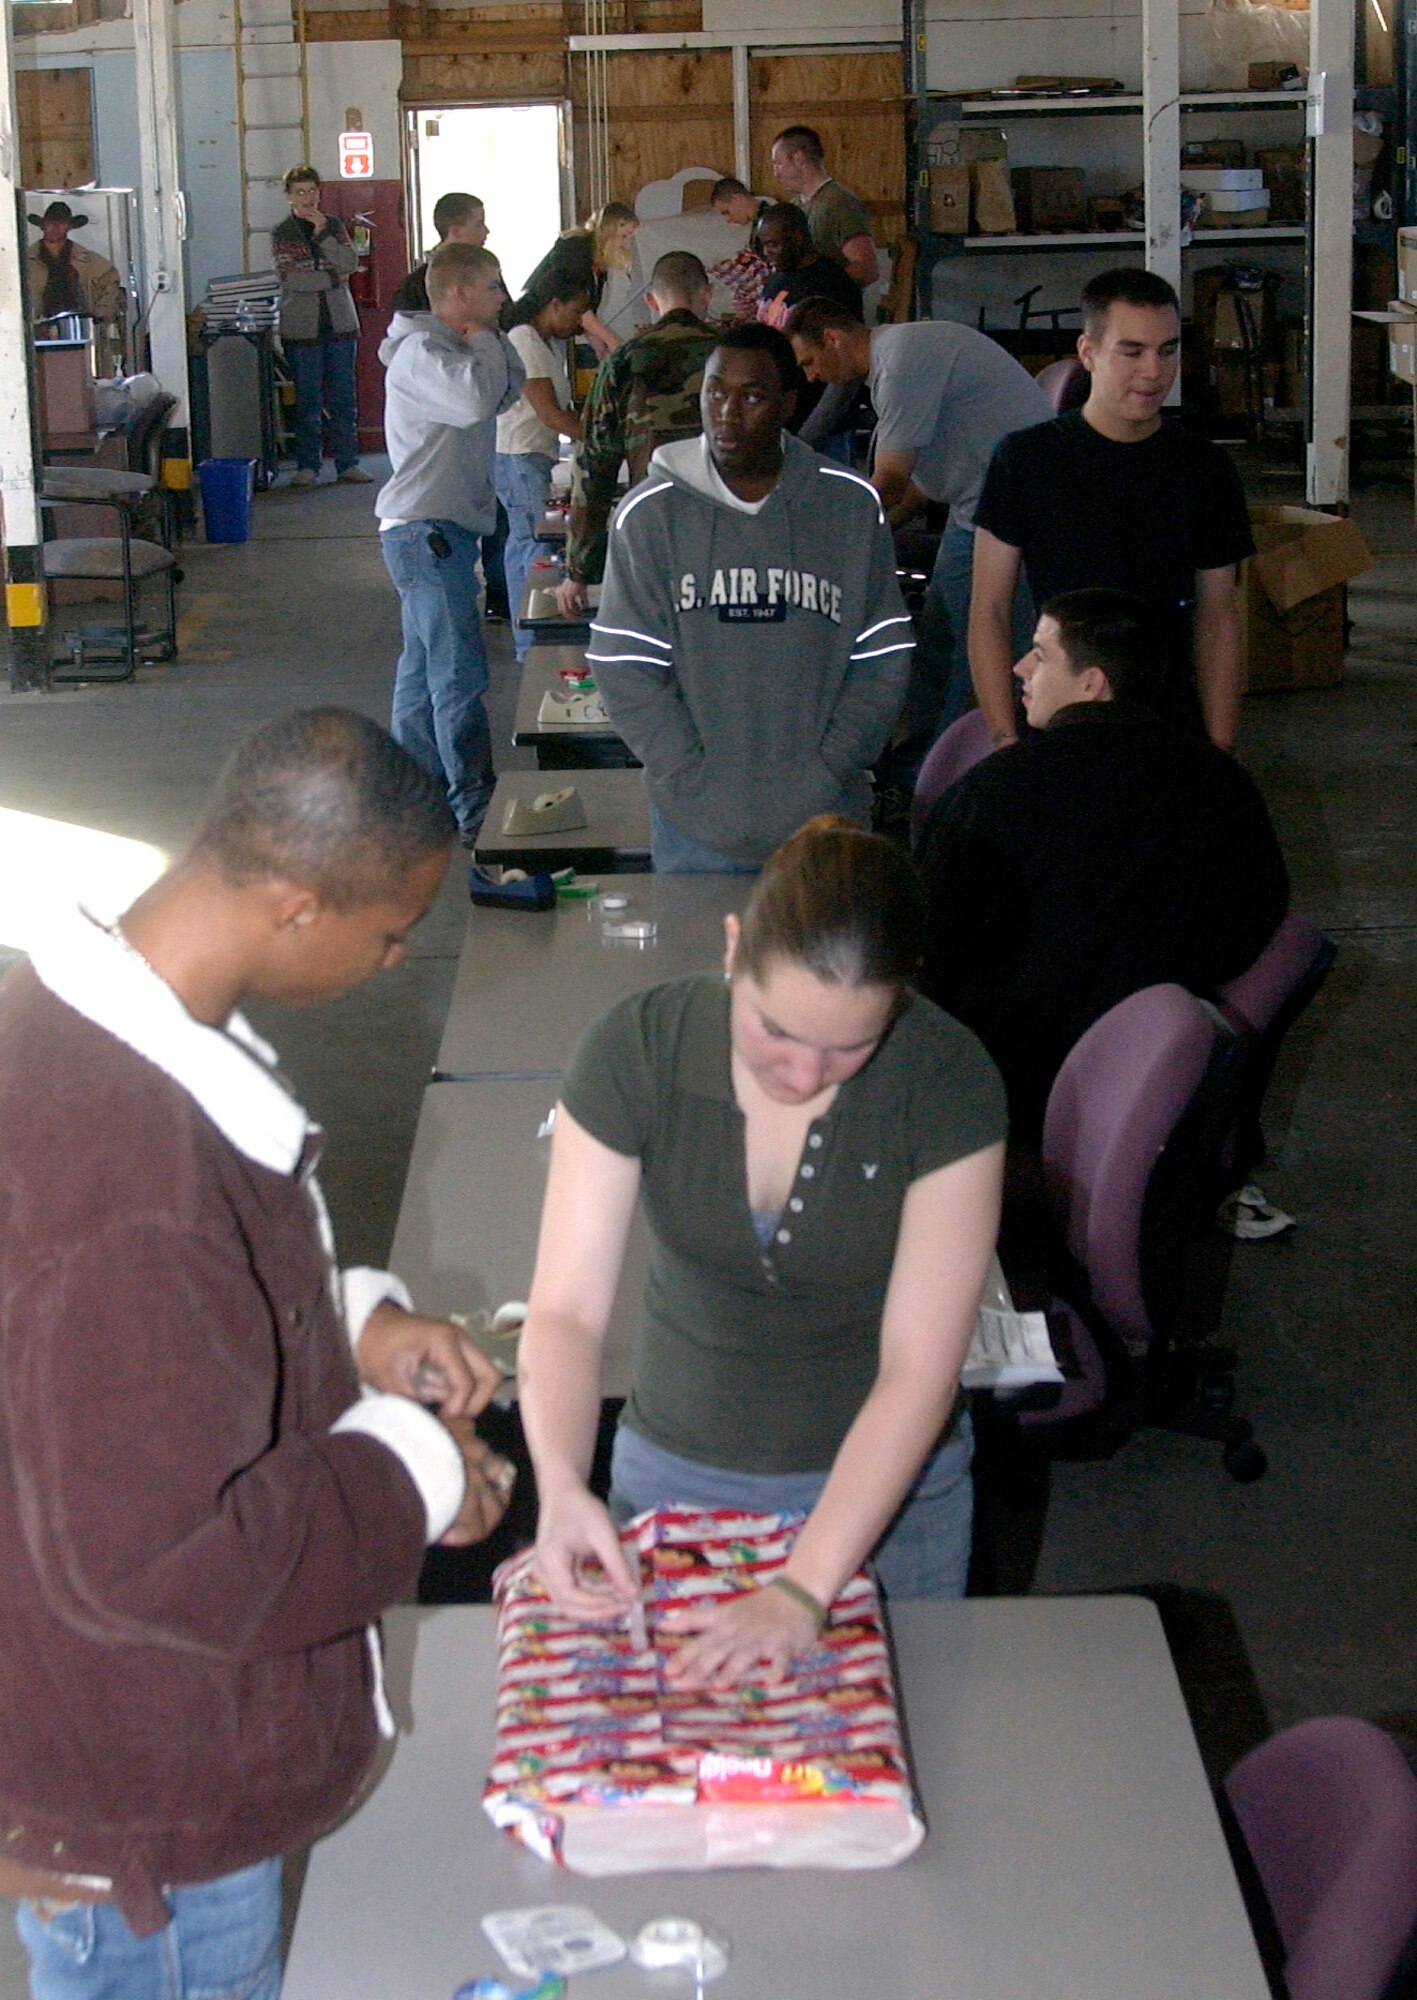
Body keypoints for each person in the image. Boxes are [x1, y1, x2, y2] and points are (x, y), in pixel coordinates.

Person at [0, 707, 515, 2000]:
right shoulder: (137, 1183)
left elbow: (136, 1349)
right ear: (294, 904)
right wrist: (418, 1474)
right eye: (390, 932)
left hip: (97, 1720)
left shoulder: (74, 1018)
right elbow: (162, 1551)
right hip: (146, 1810)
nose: (397, 960)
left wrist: (352, 1324)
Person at [519, 816, 1006, 1683]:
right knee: (669, 1764)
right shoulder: (636, 1049)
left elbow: (918, 1371)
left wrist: (805, 1588)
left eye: (850, 1046)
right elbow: (563, 1313)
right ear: (732, 949)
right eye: (775, 1031)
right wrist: (559, 1485)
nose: (804, 1075)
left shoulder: (947, 1081)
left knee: (892, 1767)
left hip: (889, 1501)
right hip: (678, 1477)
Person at [915, 589, 1290, 1140]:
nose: (1020, 666)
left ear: (1091, 683)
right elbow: (1253, 924)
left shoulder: (993, 792)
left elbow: (929, 945)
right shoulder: (1221, 785)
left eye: (1040, 654)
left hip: (1009, 1094)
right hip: (1162, 1085)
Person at [587, 324, 914, 872]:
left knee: (824, 959)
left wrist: (829, 768)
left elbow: (882, 657)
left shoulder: (850, 507)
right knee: (698, 960)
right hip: (696, 824)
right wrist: (689, 774)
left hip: (825, 821)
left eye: (752, 396)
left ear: (788, 404)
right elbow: (624, 664)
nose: (727, 413)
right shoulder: (649, 515)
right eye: (715, 391)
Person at [970, 268, 1254, 752]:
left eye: (1168, 351)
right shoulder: (1025, 460)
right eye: (1132, 351)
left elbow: (1219, 618)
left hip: (1168, 721)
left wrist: (1220, 746)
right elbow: (989, 610)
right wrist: (1002, 736)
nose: (1153, 371)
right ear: (1088, 353)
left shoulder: (1205, 469)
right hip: (1057, 718)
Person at [787, 296, 1050, 762]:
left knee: (975, 660)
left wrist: (823, 545)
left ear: (834, 339)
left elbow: (887, 482)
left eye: (809, 361)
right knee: (938, 639)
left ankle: (959, 772)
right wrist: (863, 538)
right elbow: (912, 491)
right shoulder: (895, 361)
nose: (810, 375)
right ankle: (922, 761)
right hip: (975, 509)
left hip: (1021, 515)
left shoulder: (901, 361)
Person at [376, 241, 524, 844]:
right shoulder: (419, 353)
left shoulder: (461, 348)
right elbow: (473, 401)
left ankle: (413, 804)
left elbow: (507, 389)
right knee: (458, 675)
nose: (503, 299)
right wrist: (484, 340)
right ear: (458, 294)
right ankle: (475, 812)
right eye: (492, 288)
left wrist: (485, 340)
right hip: (424, 534)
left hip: (443, 532)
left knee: (422, 674)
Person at [555, 250, 717, 618]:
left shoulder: (624, 361)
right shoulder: (734, 355)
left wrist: (579, 570)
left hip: (652, 526)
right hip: (730, 530)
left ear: (650, 299)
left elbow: (593, 466)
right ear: (706, 294)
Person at [494, 274, 589, 660]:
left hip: (532, 455)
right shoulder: (524, 341)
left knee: (527, 545)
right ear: (553, 304)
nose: (579, 320)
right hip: (520, 456)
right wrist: (600, 439)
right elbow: (551, 414)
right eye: (576, 311)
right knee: (532, 549)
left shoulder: (543, 343)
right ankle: (529, 643)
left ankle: (529, 638)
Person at [271, 165, 369, 486]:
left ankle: (347, 463)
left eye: (312, 191)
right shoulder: (282, 233)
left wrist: (324, 235)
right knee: (308, 400)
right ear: (288, 197)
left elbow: (350, 263)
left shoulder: (334, 226)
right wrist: (332, 278)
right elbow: (292, 278)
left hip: (340, 324)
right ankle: (308, 466)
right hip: (302, 329)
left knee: (344, 397)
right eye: (300, 192)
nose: (307, 198)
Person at [769, 125, 878, 291]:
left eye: (778, 163)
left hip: (830, 312)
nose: (776, 173)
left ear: (798, 159)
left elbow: (867, 269)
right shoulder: (795, 207)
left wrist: (810, 287)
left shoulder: (839, 203)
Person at [522, 203, 639, 358]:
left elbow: (586, 315)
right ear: (607, 232)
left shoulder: (598, 264)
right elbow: (578, 308)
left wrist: (600, 349)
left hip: (550, 332)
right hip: (531, 327)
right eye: (624, 236)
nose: (626, 244)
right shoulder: (576, 248)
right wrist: (613, 343)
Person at [26, 199, 125, 332]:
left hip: (80, 330)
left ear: (69, 227)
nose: (55, 227)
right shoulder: (24, 262)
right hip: (37, 331)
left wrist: (99, 317)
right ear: (42, 226)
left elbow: (111, 287)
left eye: (61, 223)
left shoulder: (89, 260)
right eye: (50, 223)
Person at [392, 190, 488, 314]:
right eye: (479, 225)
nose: (487, 231)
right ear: (456, 231)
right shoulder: (415, 286)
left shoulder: (487, 271)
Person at [707, 177, 772, 319]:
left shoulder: (770, 223)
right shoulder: (760, 221)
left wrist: (757, 302)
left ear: (736, 199)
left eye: (726, 212)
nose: (728, 219)